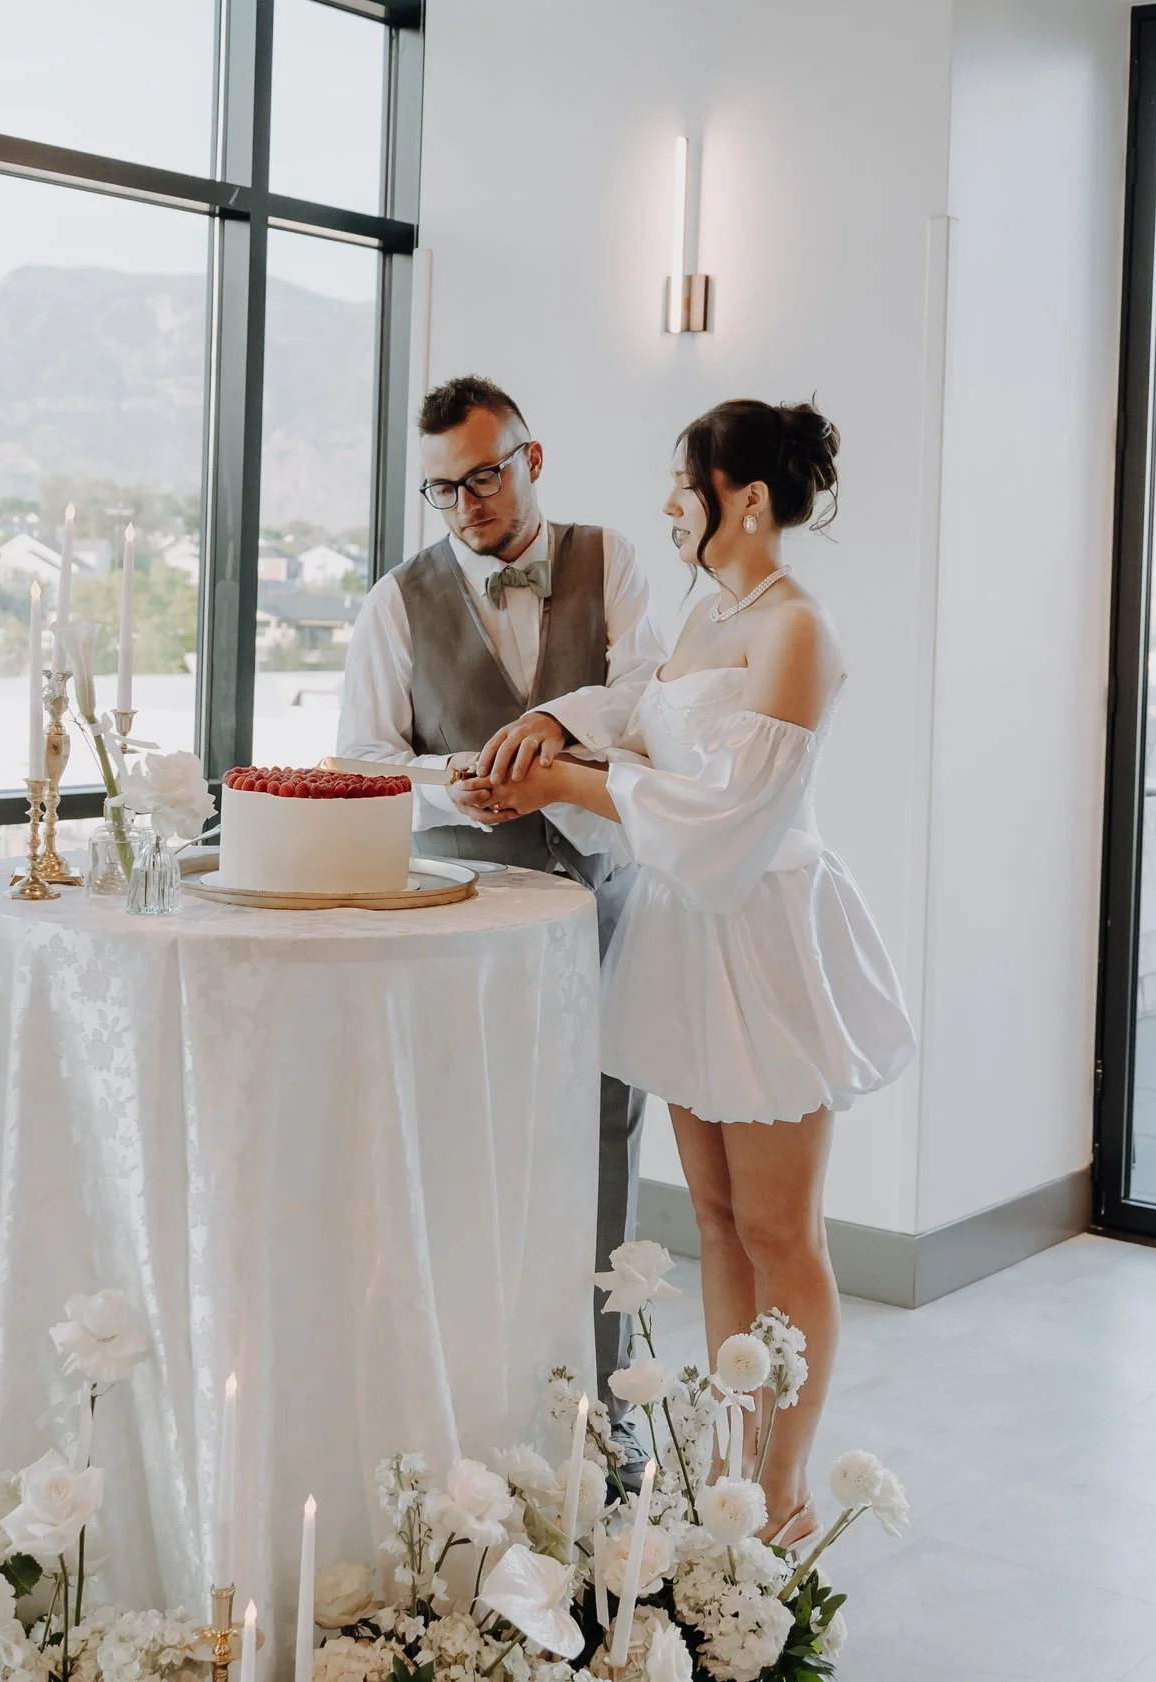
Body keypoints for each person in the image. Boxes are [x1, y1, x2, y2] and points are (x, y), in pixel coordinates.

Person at [460, 398, 916, 1545]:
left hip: (761, 937)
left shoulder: (796, 629)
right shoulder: (712, 609)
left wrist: (566, 785)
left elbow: (732, 817)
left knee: (781, 1231)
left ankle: (788, 1487)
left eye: (685, 483)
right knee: (714, 1219)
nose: (669, 503)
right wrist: (546, 749)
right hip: (683, 936)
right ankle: (730, 1458)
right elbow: (645, 733)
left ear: (744, 498)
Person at [336, 375, 667, 1434]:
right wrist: (459, 781)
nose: (467, 502)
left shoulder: (610, 559)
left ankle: (598, 1415)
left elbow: (654, 697)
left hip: (594, 893)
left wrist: (556, 724)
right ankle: (456, 1404)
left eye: (484, 474)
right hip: (458, 909)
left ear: (531, 457)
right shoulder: (395, 599)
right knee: (456, 1134)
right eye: (442, 488)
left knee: (602, 1137)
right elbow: (362, 758)